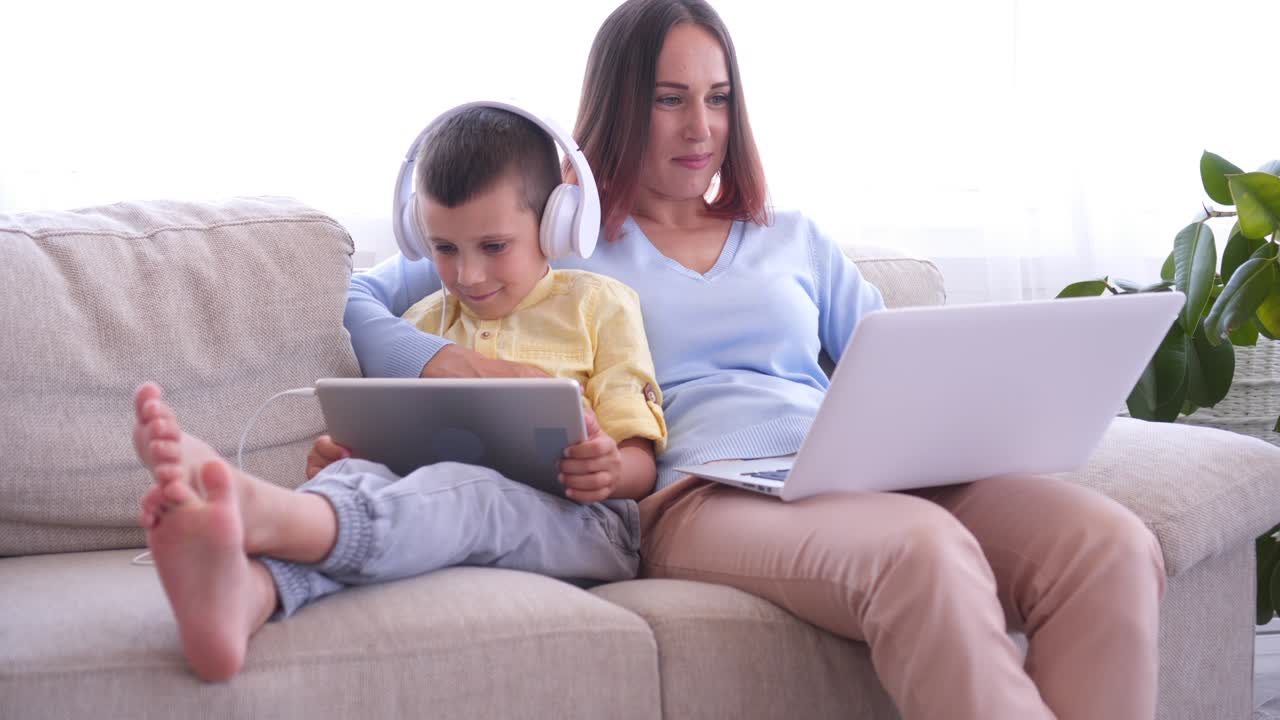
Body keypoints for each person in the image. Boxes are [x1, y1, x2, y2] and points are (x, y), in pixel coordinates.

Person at [336, 2, 1166, 719]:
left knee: (1108, 545)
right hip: (704, 489)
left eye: (718, 98)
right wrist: (457, 367)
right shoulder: (555, 240)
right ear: (622, 107)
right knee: (922, 550)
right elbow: (360, 301)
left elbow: (904, 361)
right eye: (670, 100)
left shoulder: (792, 237)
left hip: (851, 467)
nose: (702, 128)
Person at [132, 105, 667, 682]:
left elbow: (641, 459)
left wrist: (610, 471)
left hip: (589, 525)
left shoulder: (601, 306)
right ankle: (249, 592)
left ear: (556, 222)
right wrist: (347, 456)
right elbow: (403, 452)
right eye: (443, 248)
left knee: (470, 493)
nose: (467, 276)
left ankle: (270, 514)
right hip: (439, 503)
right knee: (358, 481)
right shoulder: (421, 321)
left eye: (493, 246)